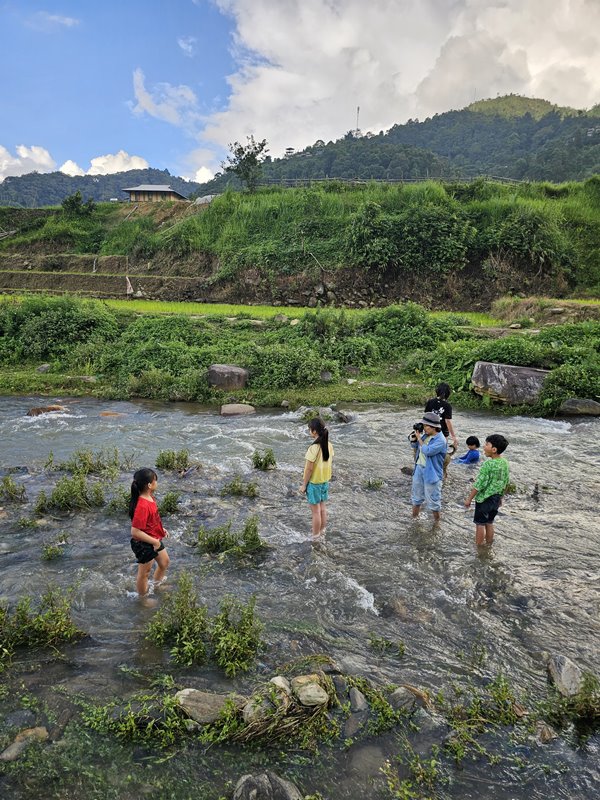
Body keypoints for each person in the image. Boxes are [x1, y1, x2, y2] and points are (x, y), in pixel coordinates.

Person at [129, 468, 170, 596]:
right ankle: (143, 599)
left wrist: (160, 529)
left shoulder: (150, 497)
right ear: (149, 485)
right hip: (145, 543)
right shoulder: (142, 505)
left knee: (164, 562)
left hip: (154, 538)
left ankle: (157, 586)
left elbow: (151, 519)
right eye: (155, 481)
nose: (157, 483)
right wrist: (154, 542)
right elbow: (135, 531)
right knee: (144, 574)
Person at [464, 434, 509, 546]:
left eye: (486, 444)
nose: (484, 446)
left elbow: (479, 484)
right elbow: (505, 482)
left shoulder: (487, 464)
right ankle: (488, 545)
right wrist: (501, 497)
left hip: (484, 499)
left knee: (480, 524)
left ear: (494, 449)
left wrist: (469, 499)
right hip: (496, 498)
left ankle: (478, 547)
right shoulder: (505, 462)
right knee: (489, 522)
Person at [410, 411, 447, 524]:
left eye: (426, 426)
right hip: (419, 469)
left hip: (432, 473)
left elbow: (428, 451)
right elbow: (415, 445)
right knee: (416, 497)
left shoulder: (441, 440)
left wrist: (419, 439)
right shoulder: (426, 435)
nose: (424, 428)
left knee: (433, 501)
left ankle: (437, 523)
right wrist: (414, 438)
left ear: (434, 427)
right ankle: (414, 520)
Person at [300, 417, 334, 536]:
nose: (309, 431)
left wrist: (304, 485)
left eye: (310, 429)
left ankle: (315, 537)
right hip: (324, 481)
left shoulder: (313, 448)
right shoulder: (329, 445)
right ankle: (322, 531)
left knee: (315, 512)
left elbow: (309, 469)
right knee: (323, 509)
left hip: (314, 483)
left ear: (314, 431)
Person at [425, 383, 459, 478]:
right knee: (440, 454)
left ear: (437, 391)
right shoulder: (447, 406)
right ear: (448, 394)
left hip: (428, 431)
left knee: (429, 451)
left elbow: (426, 416)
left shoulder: (430, 402)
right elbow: (447, 421)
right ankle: (440, 475)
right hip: (442, 433)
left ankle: (429, 471)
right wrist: (454, 436)